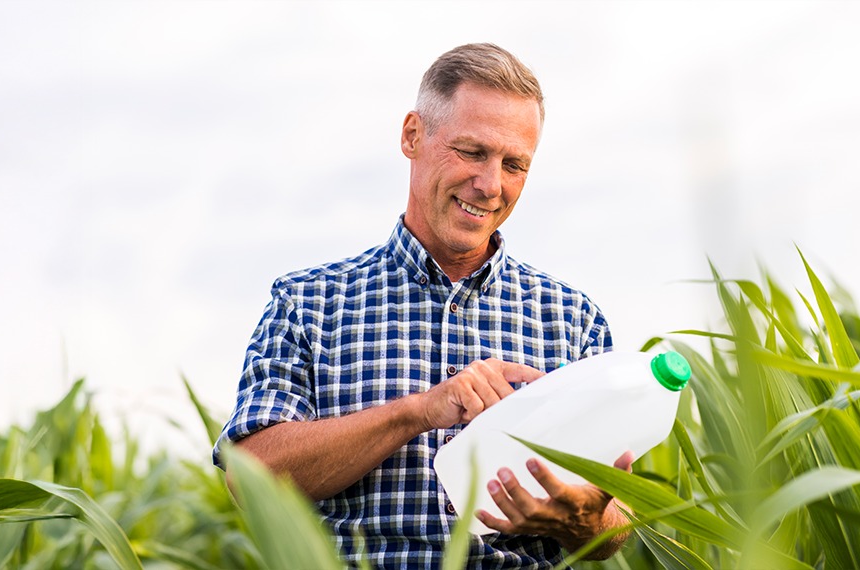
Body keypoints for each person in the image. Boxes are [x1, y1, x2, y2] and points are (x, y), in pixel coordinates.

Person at [213, 43, 630, 568]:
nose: (491, 185)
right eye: (473, 152)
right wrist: (418, 411)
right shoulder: (307, 303)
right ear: (413, 135)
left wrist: (584, 520)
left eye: (515, 164)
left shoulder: (574, 320)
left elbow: (616, 524)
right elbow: (248, 477)